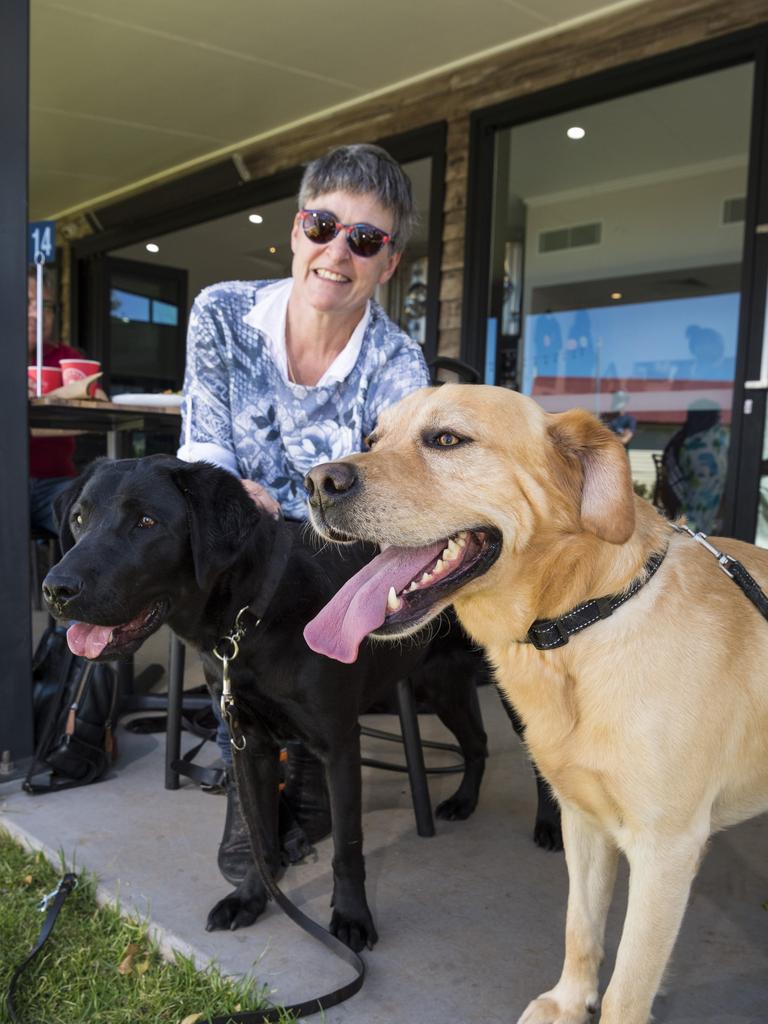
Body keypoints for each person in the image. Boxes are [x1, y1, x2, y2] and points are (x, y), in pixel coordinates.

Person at [177, 143, 430, 883]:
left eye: (365, 240)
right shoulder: (222, 312)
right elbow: (203, 444)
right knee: (195, 565)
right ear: (296, 231)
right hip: (236, 544)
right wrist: (235, 497)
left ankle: (314, 777)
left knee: (316, 582)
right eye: (323, 226)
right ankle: (248, 788)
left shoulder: (398, 365)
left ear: (388, 262)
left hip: (329, 561)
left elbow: (388, 497)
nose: (336, 252)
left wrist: (289, 518)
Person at [27, 269, 82, 535]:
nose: (37, 314)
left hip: (55, 482)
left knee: (89, 527)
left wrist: (48, 397)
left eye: (45, 306)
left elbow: (98, 400)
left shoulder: (66, 357)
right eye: (27, 303)